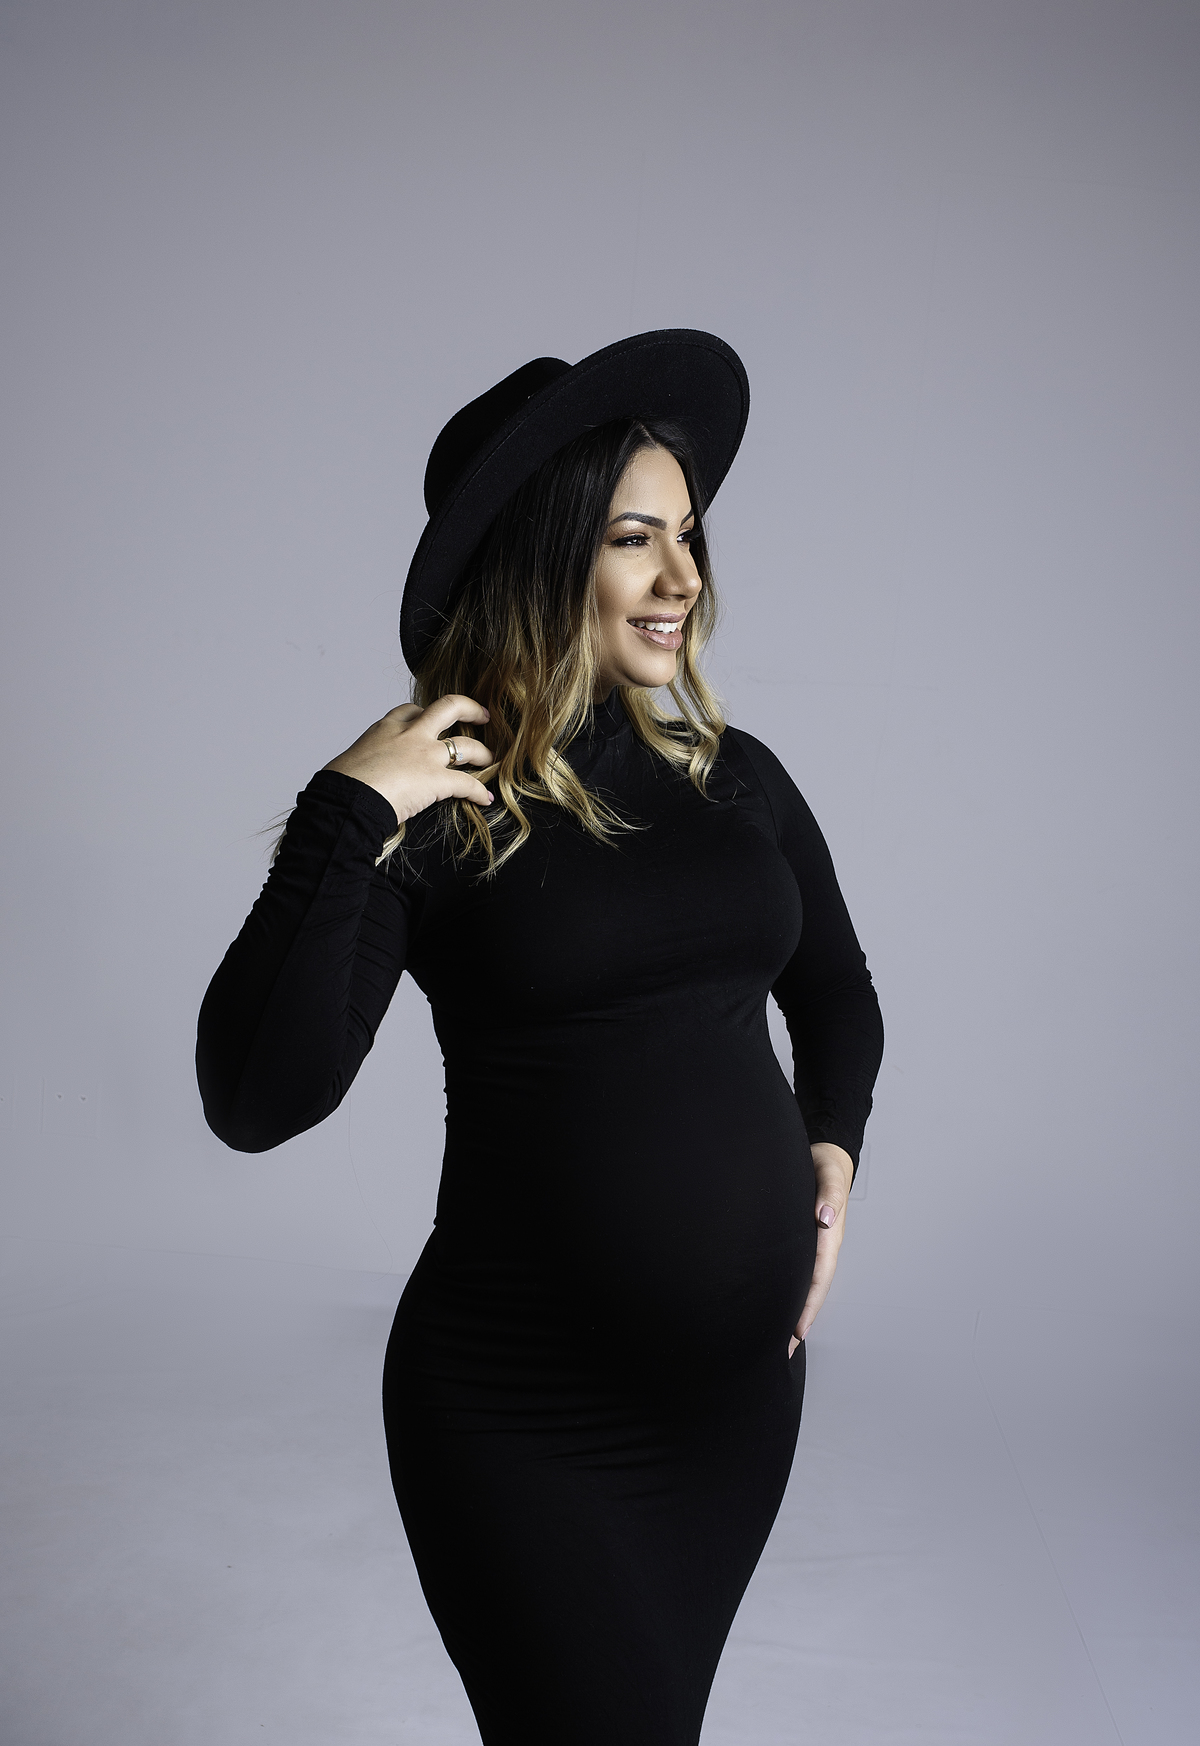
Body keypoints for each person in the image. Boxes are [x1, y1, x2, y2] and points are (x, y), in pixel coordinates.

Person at [196, 329, 884, 1746]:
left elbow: (838, 993)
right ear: (543, 554)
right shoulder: (438, 808)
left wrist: (831, 1155)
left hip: (734, 1413)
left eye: (688, 535)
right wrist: (344, 815)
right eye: (637, 538)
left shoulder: (737, 780)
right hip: (526, 1419)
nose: (685, 578)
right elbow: (258, 1096)